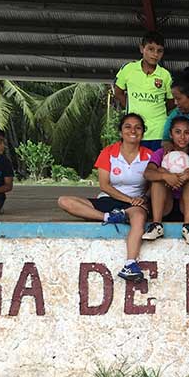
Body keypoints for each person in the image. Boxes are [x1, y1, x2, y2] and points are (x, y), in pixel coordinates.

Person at [57, 113, 152, 282]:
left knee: (139, 216)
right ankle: (109, 217)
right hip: (109, 199)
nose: (133, 131)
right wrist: (127, 200)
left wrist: (143, 198)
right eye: (128, 127)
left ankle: (130, 264)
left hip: (135, 203)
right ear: (121, 132)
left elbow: (154, 184)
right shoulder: (108, 152)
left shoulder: (149, 155)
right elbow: (104, 185)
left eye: (138, 127)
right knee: (64, 201)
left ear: (143, 133)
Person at [141, 115, 189, 245]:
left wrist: (188, 175)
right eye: (178, 132)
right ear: (171, 134)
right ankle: (156, 225)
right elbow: (147, 173)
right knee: (158, 176)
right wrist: (166, 176)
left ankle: (188, 226)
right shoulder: (161, 153)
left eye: (186, 133)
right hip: (166, 206)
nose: (182, 137)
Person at [113, 31, 174, 150]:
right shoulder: (128, 69)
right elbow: (118, 92)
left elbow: (171, 102)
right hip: (134, 131)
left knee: (156, 167)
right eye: (151, 49)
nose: (155, 54)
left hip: (159, 132)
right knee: (135, 167)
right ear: (142, 49)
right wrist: (131, 109)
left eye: (159, 51)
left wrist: (157, 112)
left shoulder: (165, 75)